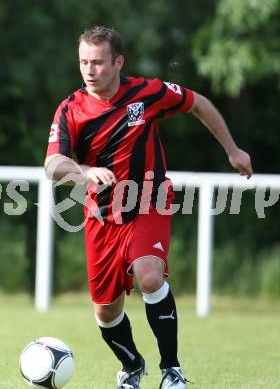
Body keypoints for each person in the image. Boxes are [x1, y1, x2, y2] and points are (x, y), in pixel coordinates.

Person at [44, 26, 253, 389]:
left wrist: (232, 150)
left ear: (118, 62)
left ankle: (172, 370)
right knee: (106, 312)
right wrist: (85, 171)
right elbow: (52, 165)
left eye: (97, 62)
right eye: (83, 62)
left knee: (150, 276)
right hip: (101, 217)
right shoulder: (71, 110)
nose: (89, 70)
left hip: (149, 202)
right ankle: (132, 366)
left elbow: (198, 103)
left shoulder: (147, 92)